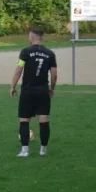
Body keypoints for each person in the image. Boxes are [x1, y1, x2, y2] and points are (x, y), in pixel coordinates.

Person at [11, 27, 58, 157]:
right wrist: (52, 89)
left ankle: (24, 151)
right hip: (43, 90)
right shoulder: (50, 54)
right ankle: (43, 150)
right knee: (44, 120)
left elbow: (19, 69)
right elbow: (54, 75)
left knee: (24, 120)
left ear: (32, 37)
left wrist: (13, 86)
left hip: (28, 91)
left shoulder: (25, 52)